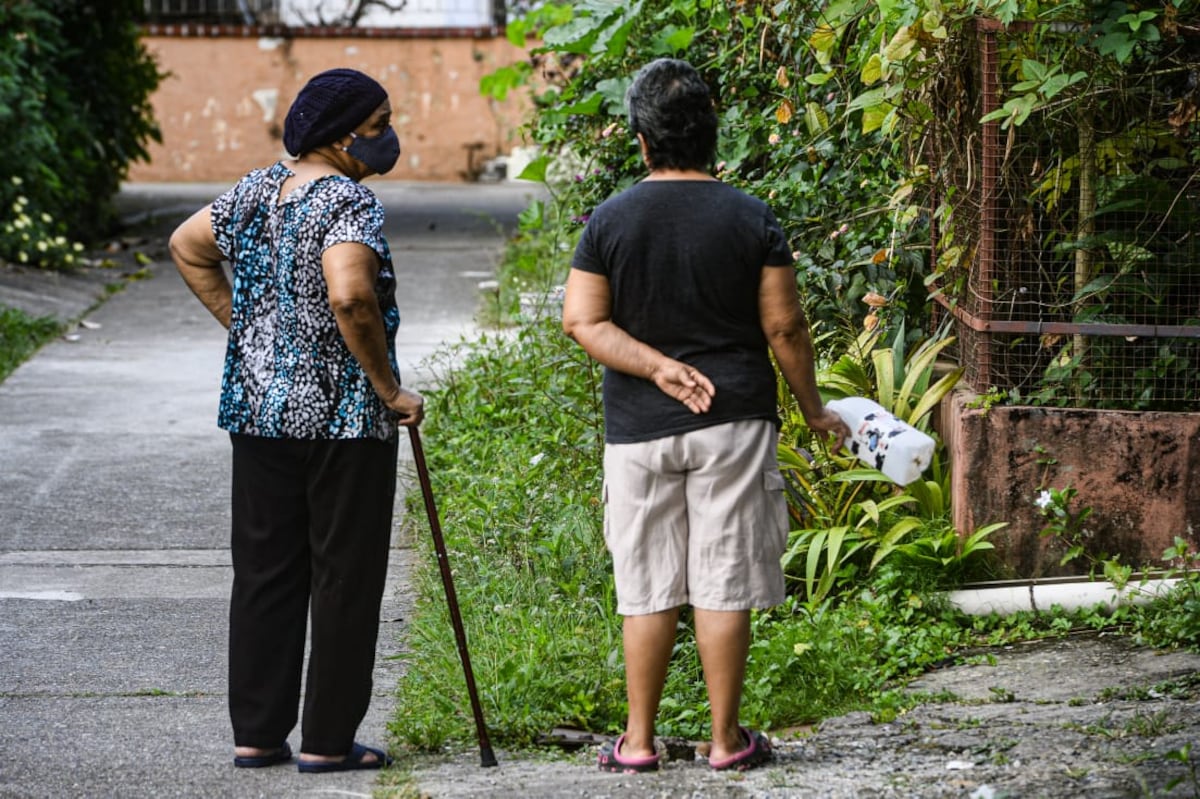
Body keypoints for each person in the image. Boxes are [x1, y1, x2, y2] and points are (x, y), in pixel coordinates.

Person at [562, 58, 850, 774]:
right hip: (735, 422)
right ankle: (726, 741)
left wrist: (655, 367)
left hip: (639, 429)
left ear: (642, 141)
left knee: (648, 584)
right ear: (712, 135)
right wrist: (814, 409)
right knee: (724, 580)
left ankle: (637, 742)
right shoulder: (751, 216)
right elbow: (784, 327)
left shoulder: (609, 220)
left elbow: (582, 321)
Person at [169, 67, 423, 773]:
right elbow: (351, 296)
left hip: (258, 412)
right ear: (342, 137)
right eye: (378, 126)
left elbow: (187, 245)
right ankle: (327, 741)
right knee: (344, 576)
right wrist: (388, 388)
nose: (388, 138)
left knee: (265, 572)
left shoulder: (253, 190)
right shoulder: (348, 201)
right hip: (343, 419)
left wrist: (251, 330)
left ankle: (256, 734)